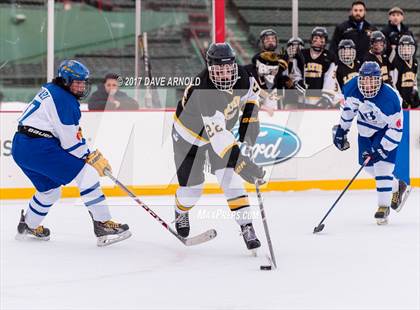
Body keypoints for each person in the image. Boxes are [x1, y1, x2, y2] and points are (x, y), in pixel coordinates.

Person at [12, 60, 131, 246]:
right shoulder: (64, 100)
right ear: (65, 80)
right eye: (76, 82)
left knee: (50, 191)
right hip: (39, 147)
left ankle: (28, 225)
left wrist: (87, 154)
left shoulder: (53, 89)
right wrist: (90, 156)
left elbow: (65, 135)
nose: (81, 86)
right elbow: (70, 143)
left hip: (21, 146)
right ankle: (102, 223)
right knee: (88, 175)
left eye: (83, 82)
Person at [172, 43, 265, 251]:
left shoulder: (244, 75)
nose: (224, 73)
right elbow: (220, 139)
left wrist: (249, 126)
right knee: (192, 191)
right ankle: (180, 210)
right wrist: (242, 163)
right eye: (218, 69)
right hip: (190, 139)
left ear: (234, 64)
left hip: (219, 134)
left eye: (227, 68)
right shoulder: (204, 90)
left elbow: (252, 96)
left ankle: (247, 226)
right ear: (209, 68)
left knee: (231, 180)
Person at [333, 61, 410, 225]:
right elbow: (349, 110)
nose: (367, 84)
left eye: (372, 80)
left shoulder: (391, 98)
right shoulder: (352, 88)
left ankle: (384, 207)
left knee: (382, 168)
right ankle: (397, 186)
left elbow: (396, 130)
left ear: (379, 80)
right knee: (368, 167)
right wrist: (342, 130)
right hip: (365, 132)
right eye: (364, 80)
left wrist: (382, 150)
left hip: (384, 132)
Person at [295, 27, 337, 108]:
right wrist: (297, 81)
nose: (318, 41)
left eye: (321, 39)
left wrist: (326, 97)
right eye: (316, 38)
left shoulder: (330, 57)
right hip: (302, 100)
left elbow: (330, 78)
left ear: (325, 41)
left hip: (320, 102)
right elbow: (295, 72)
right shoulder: (301, 54)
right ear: (311, 39)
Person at [390, 35, 419, 108]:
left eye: (408, 48)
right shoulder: (396, 62)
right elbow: (392, 83)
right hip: (399, 98)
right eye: (404, 48)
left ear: (412, 49)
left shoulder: (415, 62)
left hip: (409, 97)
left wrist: (415, 91)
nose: (406, 50)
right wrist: (399, 99)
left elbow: (414, 80)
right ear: (399, 49)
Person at [335, 39, 361, 106]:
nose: (347, 54)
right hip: (346, 99)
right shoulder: (337, 67)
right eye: (344, 52)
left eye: (349, 52)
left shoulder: (358, 64)